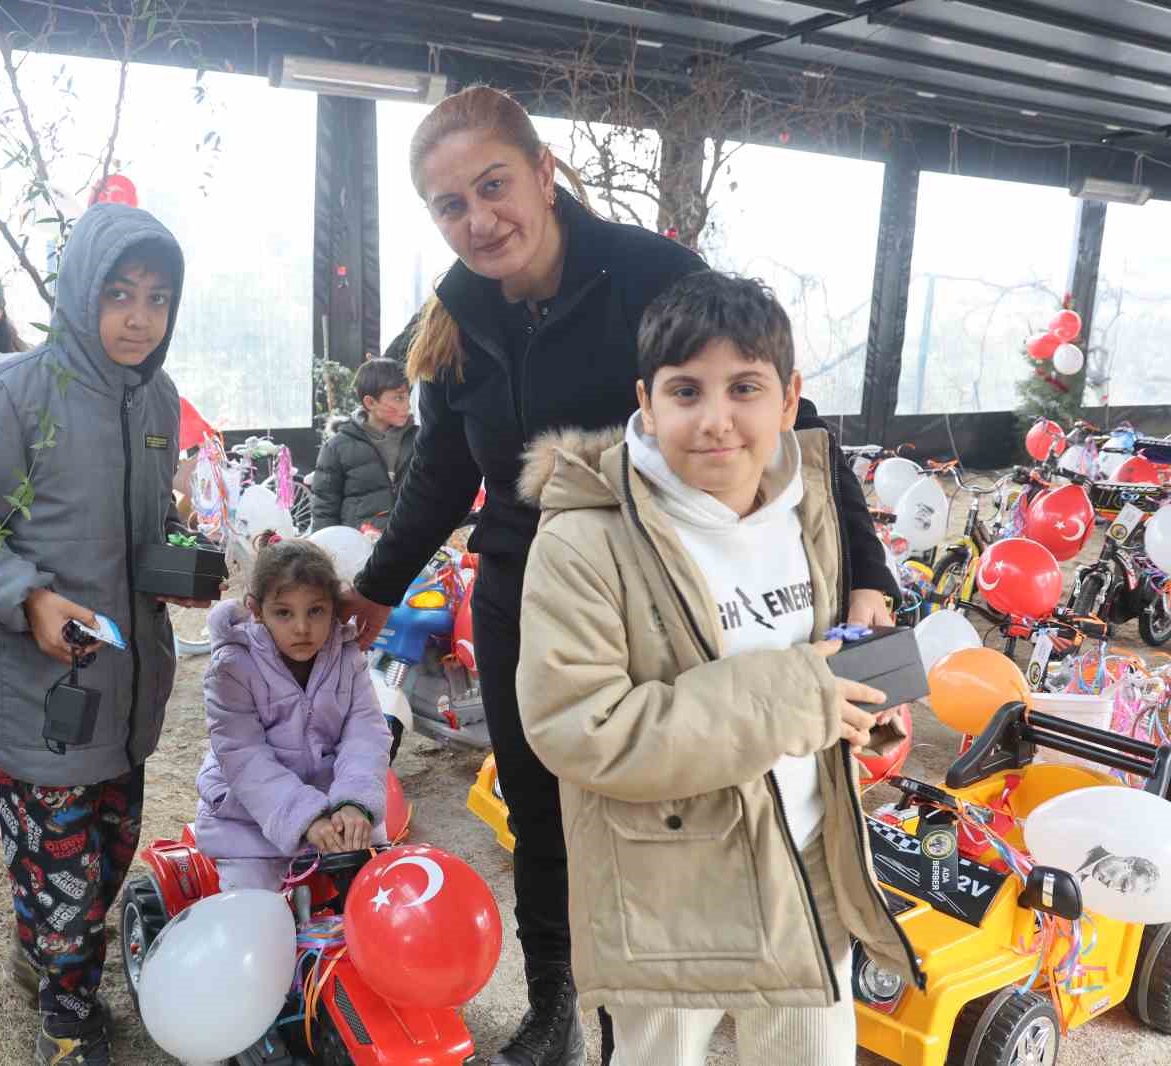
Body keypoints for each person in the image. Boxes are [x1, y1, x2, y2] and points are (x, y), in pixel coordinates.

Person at [338, 86, 898, 1066]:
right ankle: (564, 1005)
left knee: (694, 789)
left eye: (493, 185)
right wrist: (376, 587)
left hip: (679, 583)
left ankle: (758, 982)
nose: (478, 218)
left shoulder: (650, 275)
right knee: (546, 806)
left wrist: (866, 575)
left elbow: (790, 427)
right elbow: (442, 468)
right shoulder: (458, 315)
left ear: (544, 173)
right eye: (450, 204)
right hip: (530, 586)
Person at [514, 271, 918, 1065]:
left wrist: (865, 703)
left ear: (789, 398)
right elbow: (580, 728)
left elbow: (827, 667)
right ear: (647, 400)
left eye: (744, 388)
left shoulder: (812, 512)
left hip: (806, 854)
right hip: (665, 884)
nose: (716, 421)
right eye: (686, 391)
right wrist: (796, 695)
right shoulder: (584, 541)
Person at [0, 203, 199, 1066]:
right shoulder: (14, 392)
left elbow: (143, 521)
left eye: (157, 297)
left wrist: (183, 553)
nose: (138, 316)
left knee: (106, 853)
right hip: (44, 693)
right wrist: (28, 599)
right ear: (81, 292)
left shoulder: (160, 397)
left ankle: (39, 948)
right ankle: (68, 1012)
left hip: (127, 686)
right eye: (119, 294)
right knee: (63, 868)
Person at [194, 537, 391, 890]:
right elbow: (243, 757)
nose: (302, 628)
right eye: (284, 612)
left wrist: (354, 805)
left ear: (336, 606)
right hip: (249, 818)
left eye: (315, 611)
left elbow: (366, 734)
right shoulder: (231, 670)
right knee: (253, 905)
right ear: (256, 609)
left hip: (336, 806)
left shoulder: (348, 657)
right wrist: (305, 818)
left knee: (381, 885)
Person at [309, 357, 417, 532]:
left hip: (413, 543)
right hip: (358, 547)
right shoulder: (336, 447)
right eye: (398, 398)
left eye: (407, 396)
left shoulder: (421, 441)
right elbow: (324, 509)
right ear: (370, 402)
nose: (407, 405)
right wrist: (328, 550)